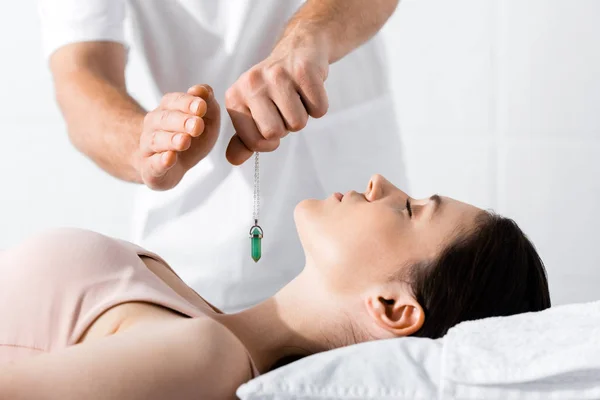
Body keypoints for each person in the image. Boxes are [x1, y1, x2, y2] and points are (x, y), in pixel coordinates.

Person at [0, 174, 551, 399]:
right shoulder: (196, 316)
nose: (380, 183)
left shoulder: (206, 354)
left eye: (409, 209)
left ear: (392, 307)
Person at [39, 0, 407, 312]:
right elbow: (79, 72)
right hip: (198, 261)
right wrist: (144, 145)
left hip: (370, 256)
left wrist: (307, 39)